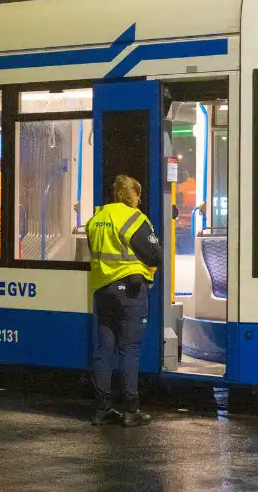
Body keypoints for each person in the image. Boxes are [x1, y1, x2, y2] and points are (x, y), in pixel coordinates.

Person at [86, 175, 162, 427]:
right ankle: (131, 409)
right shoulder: (133, 218)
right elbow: (155, 254)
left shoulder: (95, 220)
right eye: (138, 196)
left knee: (104, 350)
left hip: (102, 290)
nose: (139, 201)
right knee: (129, 349)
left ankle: (103, 408)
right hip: (129, 291)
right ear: (132, 196)